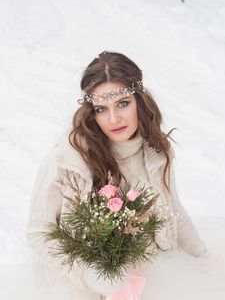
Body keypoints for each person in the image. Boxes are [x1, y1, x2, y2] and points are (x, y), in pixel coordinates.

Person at [26, 51, 210, 300]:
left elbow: (174, 211)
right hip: (84, 284)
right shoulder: (66, 161)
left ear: (140, 101)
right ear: (92, 112)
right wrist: (93, 276)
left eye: (123, 103)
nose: (113, 119)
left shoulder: (156, 152)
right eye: (102, 109)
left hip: (152, 278)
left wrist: (205, 262)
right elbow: (38, 232)